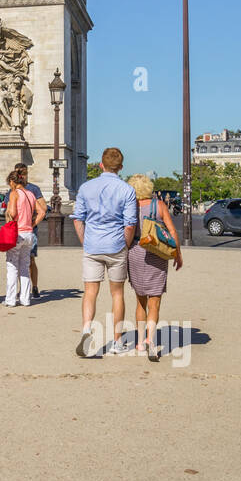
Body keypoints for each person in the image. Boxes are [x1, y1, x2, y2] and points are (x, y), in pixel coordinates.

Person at [72, 147, 139, 357]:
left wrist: (85, 242)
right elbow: (130, 225)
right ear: (120, 167)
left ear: (101, 164)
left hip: (92, 245)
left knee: (90, 292)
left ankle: (85, 329)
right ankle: (117, 341)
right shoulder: (127, 190)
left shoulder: (85, 187)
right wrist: (125, 245)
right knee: (117, 294)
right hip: (116, 245)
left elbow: (78, 219)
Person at [125, 174, 183, 361]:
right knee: (154, 301)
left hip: (135, 252)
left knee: (140, 300)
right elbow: (172, 230)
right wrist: (177, 253)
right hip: (157, 253)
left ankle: (140, 342)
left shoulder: (130, 207)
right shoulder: (159, 205)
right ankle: (151, 339)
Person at [4, 170, 41, 307]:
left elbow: (13, 213)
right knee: (25, 267)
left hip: (17, 233)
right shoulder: (31, 194)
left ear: (12, 182)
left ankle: (10, 299)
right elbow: (42, 211)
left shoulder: (14, 194)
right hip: (29, 234)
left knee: (12, 267)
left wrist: (8, 212)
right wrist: (32, 223)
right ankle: (25, 299)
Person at [13, 163, 49, 296]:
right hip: (18, 230)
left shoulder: (34, 189)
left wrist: (32, 223)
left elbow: (43, 208)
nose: (21, 175)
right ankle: (22, 289)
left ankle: (34, 286)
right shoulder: (12, 189)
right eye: (18, 173)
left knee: (30, 259)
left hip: (29, 230)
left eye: (23, 173)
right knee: (17, 261)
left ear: (27, 173)